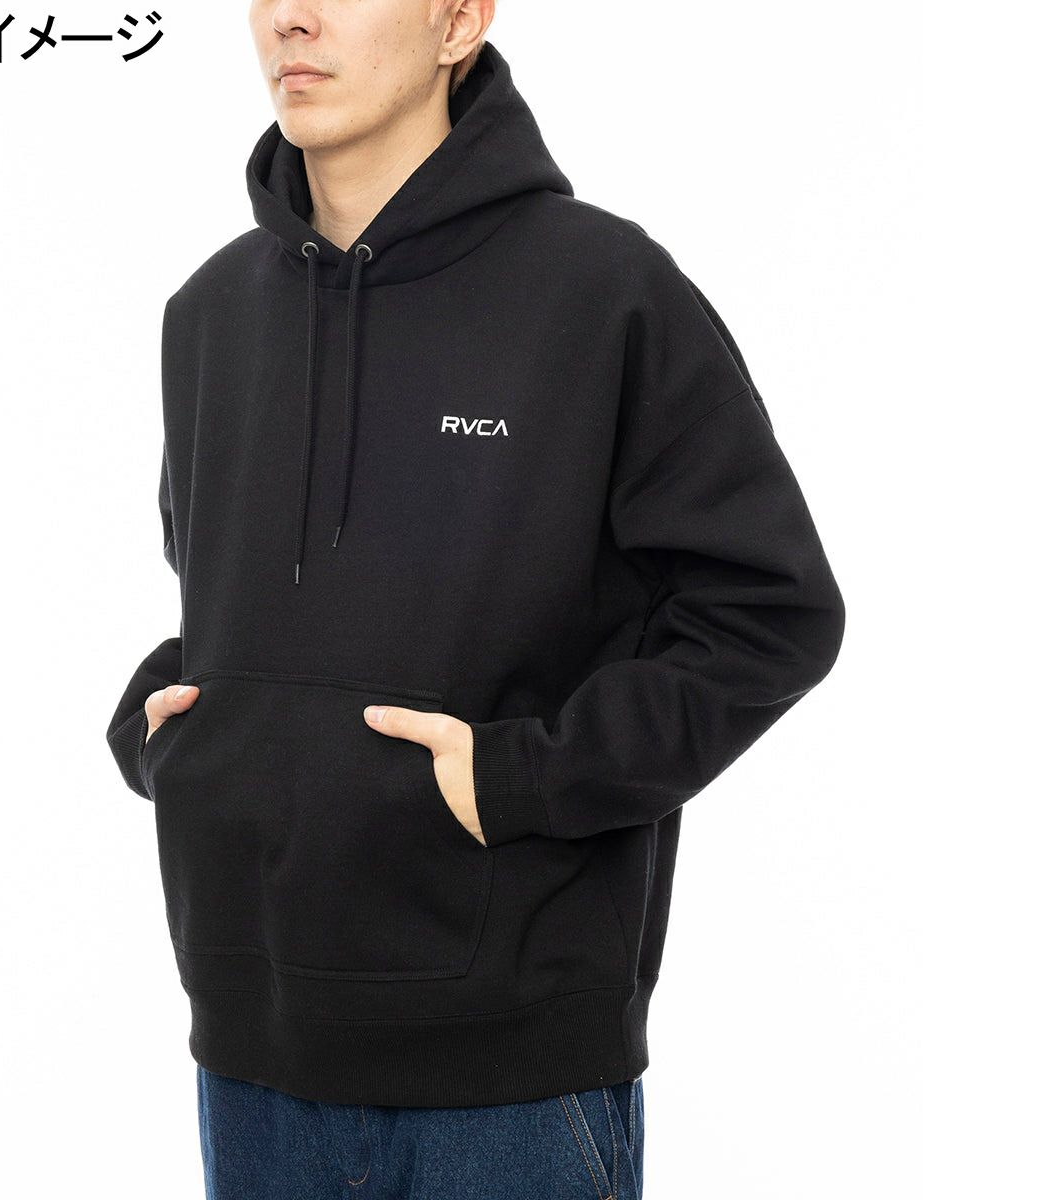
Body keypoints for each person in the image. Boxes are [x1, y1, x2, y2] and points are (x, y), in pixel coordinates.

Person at [105, 2, 846, 1196]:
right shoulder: (209, 314)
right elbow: (233, 596)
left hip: (510, 1086)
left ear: (459, 20)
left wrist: (523, 778)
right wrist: (179, 730)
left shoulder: (604, 292)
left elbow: (771, 612)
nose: (289, 17)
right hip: (249, 1058)